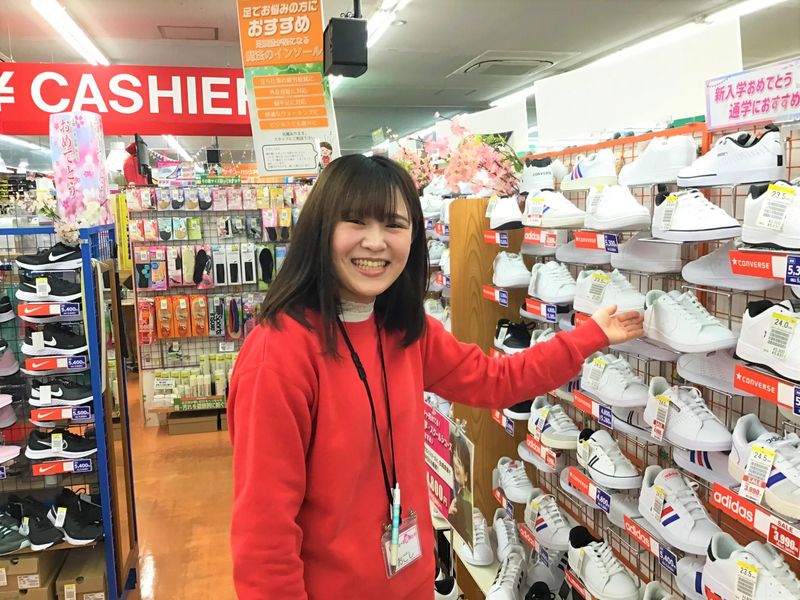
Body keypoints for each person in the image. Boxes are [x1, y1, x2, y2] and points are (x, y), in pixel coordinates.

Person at [227, 155, 644, 599]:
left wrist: (588, 337)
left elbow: (495, 379)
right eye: (355, 222)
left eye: (393, 224)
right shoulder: (278, 355)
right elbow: (265, 538)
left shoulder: (404, 330)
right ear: (320, 229)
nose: (375, 242)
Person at [447, 428, 473, 546]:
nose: (456, 463)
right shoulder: (458, 494)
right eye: (455, 455)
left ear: (466, 476)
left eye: (460, 461)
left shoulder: (466, 501)